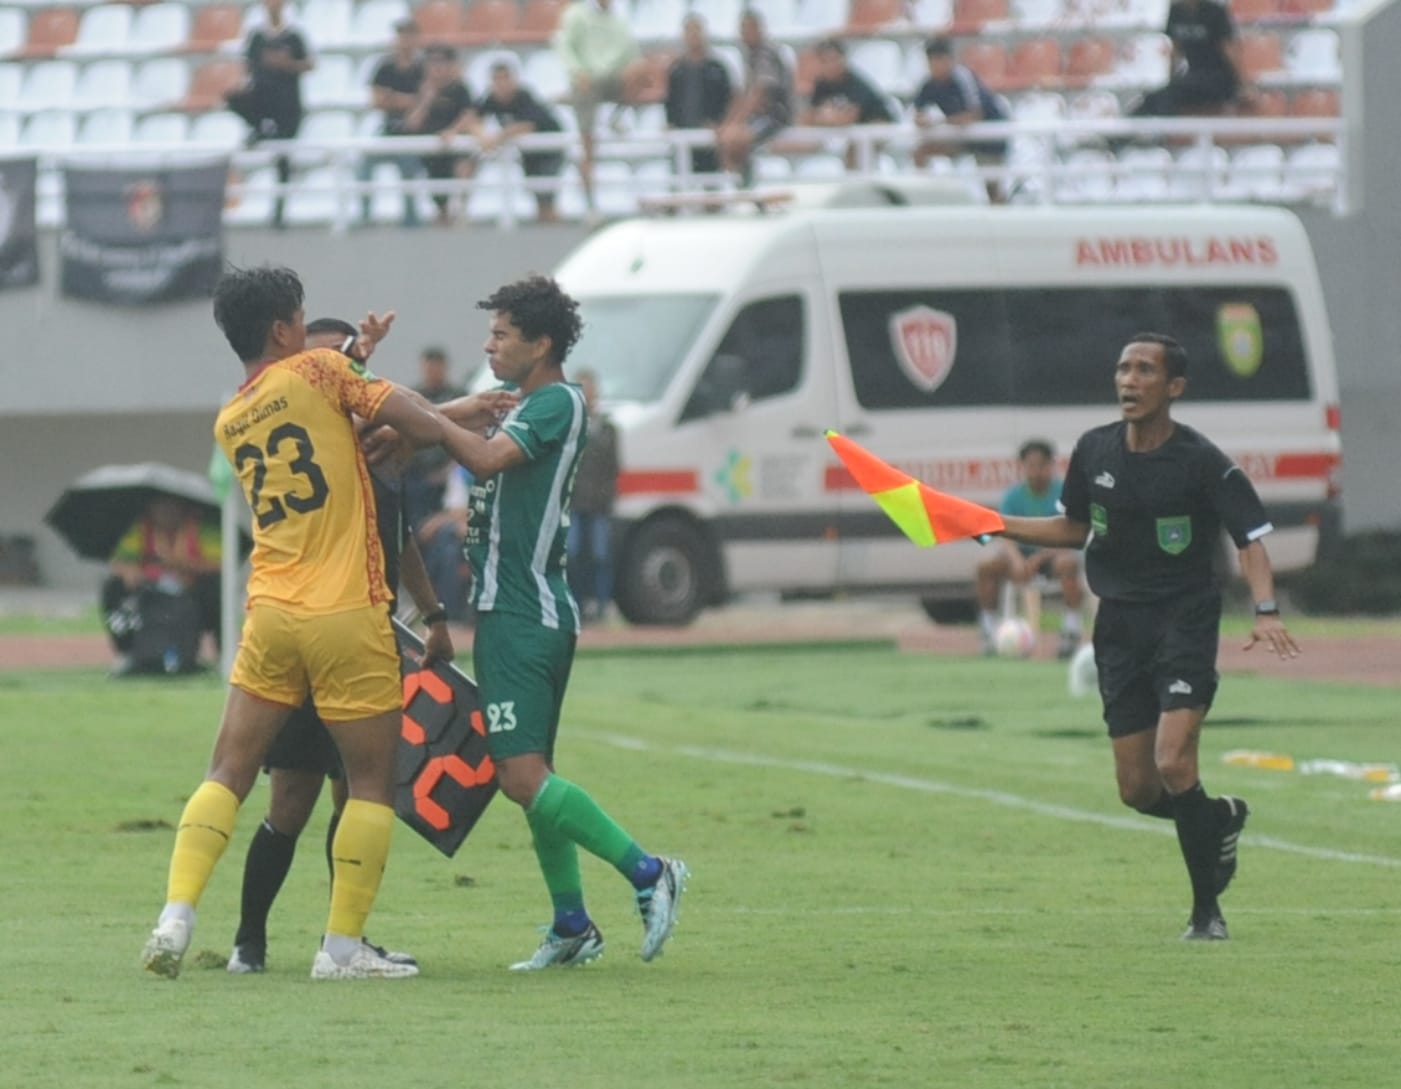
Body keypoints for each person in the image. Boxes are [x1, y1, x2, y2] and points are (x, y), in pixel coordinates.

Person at [139, 264, 448, 981]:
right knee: (370, 784)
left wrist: (352, 356)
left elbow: (312, 397)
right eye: (302, 318)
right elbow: (388, 409)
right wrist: (467, 438)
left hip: (272, 611)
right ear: (284, 329)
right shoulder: (317, 370)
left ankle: (175, 916)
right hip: (344, 612)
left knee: (228, 769)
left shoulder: (231, 417)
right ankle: (341, 949)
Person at [993, 332, 1300, 942]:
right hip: (1120, 627)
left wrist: (1265, 610)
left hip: (1185, 619)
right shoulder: (1094, 449)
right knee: (1137, 789)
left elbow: (1251, 539)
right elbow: (1074, 526)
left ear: (1174, 387)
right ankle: (1217, 818)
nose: (1128, 380)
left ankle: (1205, 913)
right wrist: (993, 523)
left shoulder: (1203, 460)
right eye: (1122, 369)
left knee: (1173, 759)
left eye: (1144, 370)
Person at [435, 275, 688, 970]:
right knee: (532, 775)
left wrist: (428, 417)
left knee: (519, 776)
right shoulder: (528, 403)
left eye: (501, 333)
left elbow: (482, 457)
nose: (488, 343)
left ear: (541, 343)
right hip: (511, 610)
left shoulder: (554, 402)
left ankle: (648, 871)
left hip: (525, 612)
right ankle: (572, 923)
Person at [225, 316, 455, 975]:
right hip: (310, 635)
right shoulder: (310, 440)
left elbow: (401, 539)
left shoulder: (381, 457)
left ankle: (342, 938)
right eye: (328, 363)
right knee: (290, 801)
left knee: (352, 795)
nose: (337, 376)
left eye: (347, 367)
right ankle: (249, 941)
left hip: (357, 634)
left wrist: (434, 614)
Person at [975, 440, 1085, 660]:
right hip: (1022, 555)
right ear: (1022, 467)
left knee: (1069, 563)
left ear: (1051, 466)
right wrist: (1016, 560)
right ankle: (988, 628)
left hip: (1052, 554)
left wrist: (1040, 557)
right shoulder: (1012, 496)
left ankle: (1071, 629)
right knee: (986, 565)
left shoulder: (1064, 492)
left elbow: (1072, 533)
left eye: (1041, 465)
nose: (1035, 472)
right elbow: (1002, 534)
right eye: (1030, 466)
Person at [102, 496, 221, 675]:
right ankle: (126, 652)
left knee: (217, 587)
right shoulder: (140, 529)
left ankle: (222, 653)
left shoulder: (203, 529)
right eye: (160, 506)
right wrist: (129, 571)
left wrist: (181, 564)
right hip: (150, 594)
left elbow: (220, 564)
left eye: (172, 505)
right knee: (112, 587)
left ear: (183, 507)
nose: (166, 511)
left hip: (192, 593)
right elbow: (118, 561)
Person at [553, 0, 649, 218]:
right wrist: (578, 72)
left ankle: (617, 115)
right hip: (586, 80)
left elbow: (633, 56)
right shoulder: (576, 14)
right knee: (588, 146)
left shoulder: (619, 20)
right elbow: (563, 46)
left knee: (642, 71)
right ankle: (590, 205)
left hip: (611, 78)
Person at [225, 0, 314, 229]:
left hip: (288, 104)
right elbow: (248, 65)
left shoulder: (293, 36)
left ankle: (279, 211)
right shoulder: (257, 37)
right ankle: (260, 128)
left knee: (282, 158)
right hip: (265, 100)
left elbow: (310, 64)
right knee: (234, 98)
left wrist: (287, 64)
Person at [913, 36, 1009, 204]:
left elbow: (974, 115)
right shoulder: (929, 84)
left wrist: (938, 123)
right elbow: (918, 114)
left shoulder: (963, 78)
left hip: (988, 138)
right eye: (931, 61)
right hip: (962, 137)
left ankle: (1002, 219)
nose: (935, 66)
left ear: (949, 60)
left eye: (939, 60)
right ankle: (924, 200)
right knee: (921, 152)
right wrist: (922, 120)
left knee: (992, 187)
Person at [471, 60, 567, 225]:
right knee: (533, 188)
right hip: (529, 153)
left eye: (505, 79)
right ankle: (543, 221)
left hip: (549, 150)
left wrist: (497, 137)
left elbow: (527, 124)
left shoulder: (524, 96)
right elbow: (472, 117)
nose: (501, 84)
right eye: (497, 80)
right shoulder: (491, 99)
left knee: (547, 188)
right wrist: (481, 135)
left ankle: (551, 221)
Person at [360, 19, 426, 227]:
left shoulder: (422, 68)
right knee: (364, 167)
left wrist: (394, 98)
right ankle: (365, 215)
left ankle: (411, 217)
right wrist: (408, 100)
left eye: (409, 36)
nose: (404, 41)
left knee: (408, 168)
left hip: (414, 132)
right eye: (401, 36)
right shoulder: (384, 67)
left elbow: (425, 101)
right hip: (389, 129)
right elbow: (377, 101)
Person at [566, 369, 620, 623]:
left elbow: (613, 466)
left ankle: (601, 605)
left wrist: (607, 495)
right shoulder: (570, 427)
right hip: (574, 502)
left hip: (599, 503)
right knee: (573, 554)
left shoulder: (607, 429)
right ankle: (576, 604)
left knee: (600, 555)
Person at [717, 9, 793, 187]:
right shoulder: (748, 56)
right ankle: (739, 182)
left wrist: (736, 123)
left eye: (749, 28)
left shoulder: (766, 54)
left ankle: (741, 184)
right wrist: (728, 121)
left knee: (736, 138)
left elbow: (760, 93)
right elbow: (743, 94)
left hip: (775, 115)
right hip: (758, 116)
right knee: (727, 134)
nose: (745, 34)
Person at [1132, 0, 1243, 118]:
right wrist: (1171, 79)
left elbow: (1228, 49)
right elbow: (1176, 50)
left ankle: (1166, 133)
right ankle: (1125, 133)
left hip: (1219, 79)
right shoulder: (1176, 12)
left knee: (1166, 97)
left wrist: (1241, 84)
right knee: (1152, 99)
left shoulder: (1214, 11)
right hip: (1193, 76)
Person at [403, 44, 475, 226]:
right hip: (429, 150)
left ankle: (461, 211)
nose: (437, 68)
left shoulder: (460, 89)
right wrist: (426, 100)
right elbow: (411, 124)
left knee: (464, 165)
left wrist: (453, 131)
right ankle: (439, 215)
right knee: (433, 182)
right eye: (432, 63)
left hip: (455, 146)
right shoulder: (420, 90)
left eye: (442, 63)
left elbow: (469, 115)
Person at [799, 37, 895, 169]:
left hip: (877, 122)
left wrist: (826, 116)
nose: (831, 65)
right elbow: (808, 117)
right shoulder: (822, 85)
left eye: (834, 59)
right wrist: (828, 117)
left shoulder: (855, 83)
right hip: (853, 129)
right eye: (825, 61)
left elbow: (849, 118)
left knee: (857, 152)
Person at [402, 345, 466, 529]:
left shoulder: (458, 397)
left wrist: (450, 469)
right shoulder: (413, 396)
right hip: (416, 473)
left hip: (448, 470)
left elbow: (469, 434)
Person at [664, 14, 733, 181]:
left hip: (709, 134)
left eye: (697, 30)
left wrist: (720, 122)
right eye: (689, 31)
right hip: (683, 131)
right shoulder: (677, 70)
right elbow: (670, 100)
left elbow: (728, 98)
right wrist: (671, 122)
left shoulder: (717, 68)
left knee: (711, 178)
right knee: (681, 176)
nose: (693, 36)